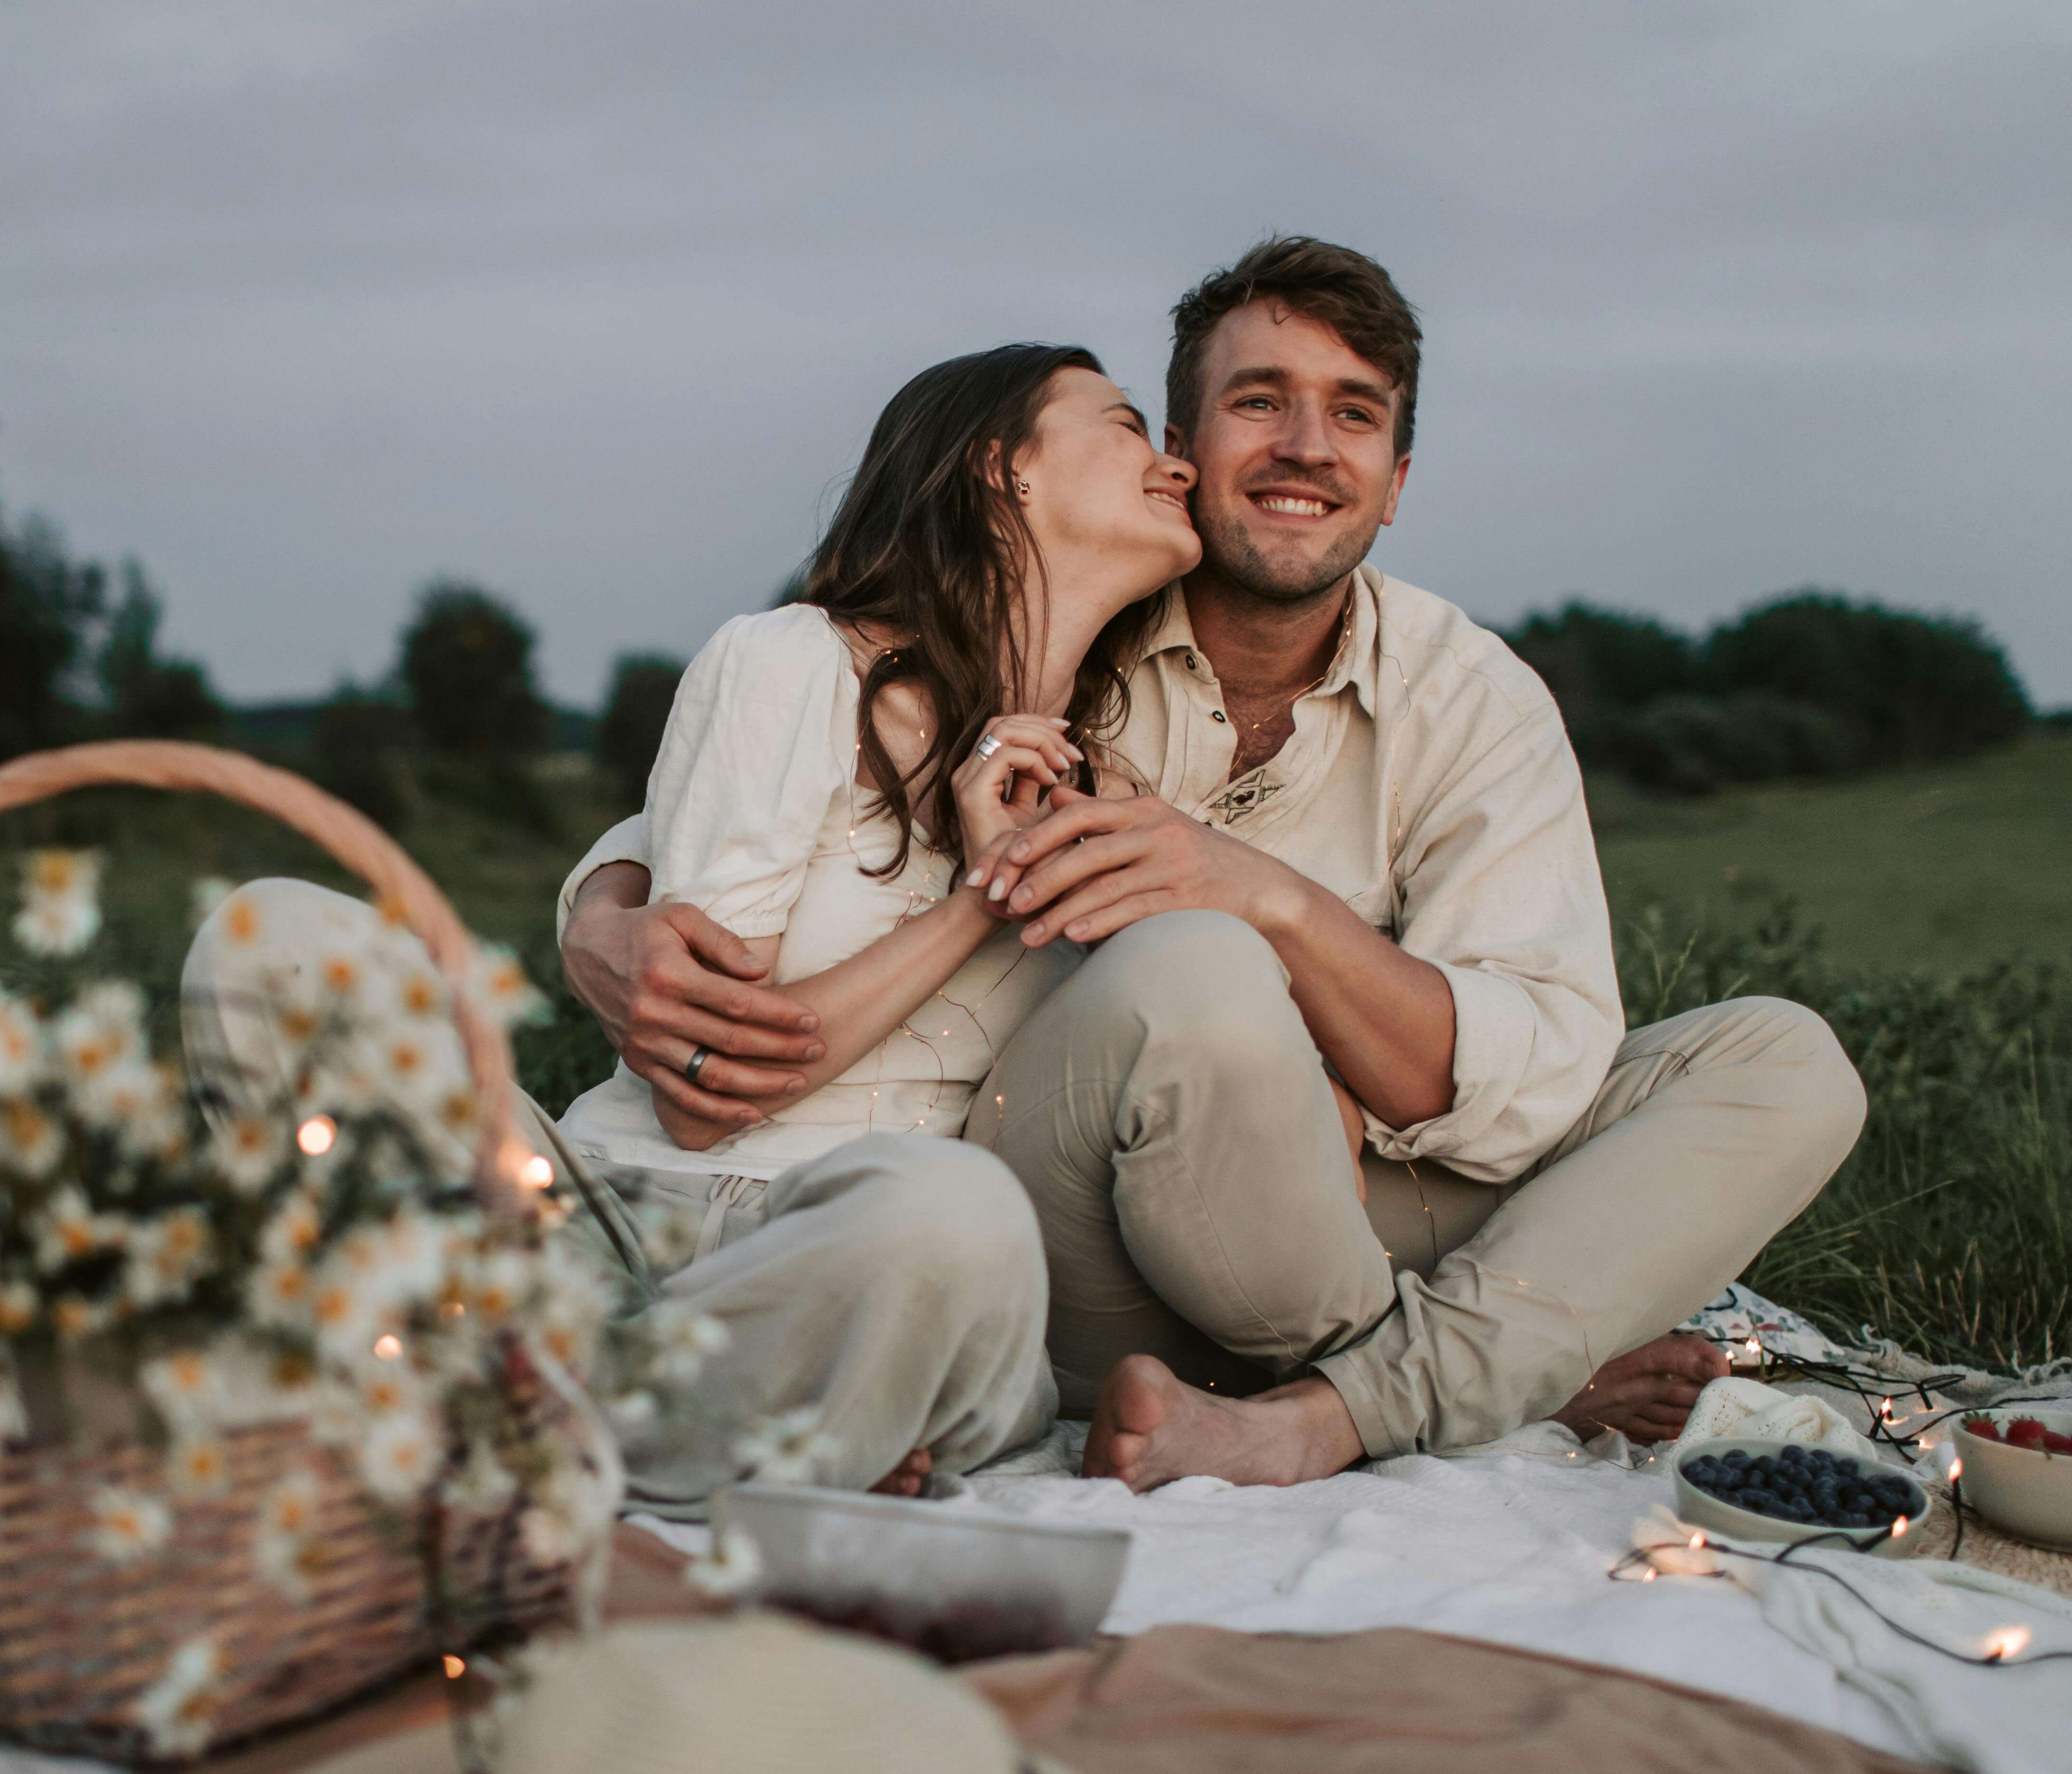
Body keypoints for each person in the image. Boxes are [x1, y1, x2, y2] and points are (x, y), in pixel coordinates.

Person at [561, 235, 1869, 1491]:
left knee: (1781, 1061)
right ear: (1185, 458)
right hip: (1087, 1204)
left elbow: (1523, 1076)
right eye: (1259, 402)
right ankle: (1451, 1387)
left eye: (1354, 416)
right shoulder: (1067, 632)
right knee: (1194, 969)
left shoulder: (1471, 700)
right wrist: (608, 901)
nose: (1307, 448)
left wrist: (1271, 902)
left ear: (1398, 479)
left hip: (1340, 1186)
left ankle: (1357, 1397)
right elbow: (823, 765)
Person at [189, 343, 1202, 1510]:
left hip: (849, 1263)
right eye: (1126, 424)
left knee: (959, 1217)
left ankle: (523, 1408)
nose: (1170, 464)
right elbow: (708, 1080)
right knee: (273, 941)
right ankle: (698, 1422)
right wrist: (980, 896)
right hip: (595, 1225)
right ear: (998, 470)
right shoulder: (794, 666)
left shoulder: (1116, 787)